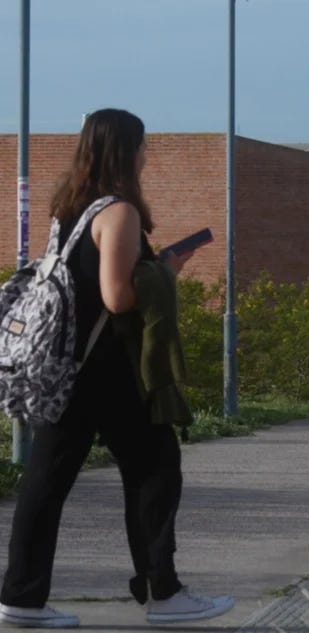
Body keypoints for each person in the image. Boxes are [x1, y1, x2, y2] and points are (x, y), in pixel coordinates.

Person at [0, 109, 234, 628]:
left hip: (64, 364)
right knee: (155, 469)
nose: (148, 155)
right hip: (106, 370)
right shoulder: (119, 212)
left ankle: (21, 595)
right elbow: (117, 296)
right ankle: (164, 593)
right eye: (143, 146)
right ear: (126, 151)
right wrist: (164, 272)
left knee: (47, 479)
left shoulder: (70, 209)